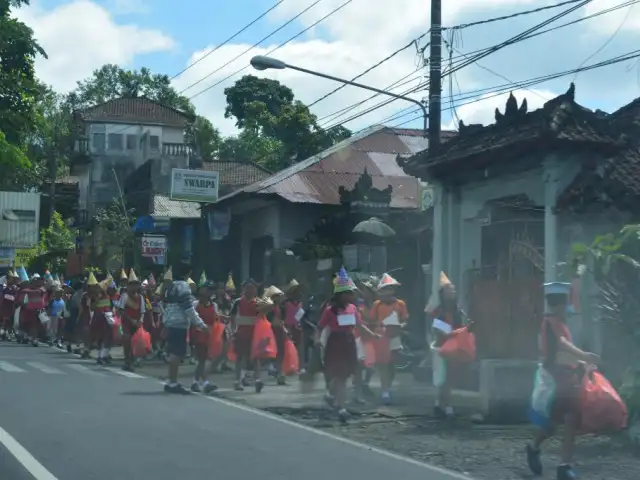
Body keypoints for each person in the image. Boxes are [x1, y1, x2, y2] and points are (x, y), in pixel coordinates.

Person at [526, 282, 600, 480]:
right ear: (560, 304)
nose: (569, 307)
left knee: (569, 419)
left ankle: (563, 465)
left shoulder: (560, 323)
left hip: (567, 378)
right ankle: (536, 449)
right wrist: (583, 355)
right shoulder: (551, 322)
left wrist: (583, 365)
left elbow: (565, 353)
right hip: (556, 379)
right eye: (566, 302)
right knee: (555, 422)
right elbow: (562, 344)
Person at [316, 268, 379, 423]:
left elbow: (359, 325)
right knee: (339, 375)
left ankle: (332, 397)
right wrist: (318, 339)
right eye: (348, 292)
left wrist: (373, 335)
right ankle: (341, 407)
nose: (352, 295)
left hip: (349, 342)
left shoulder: (352, 309)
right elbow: (320, 327)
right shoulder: (330, 311)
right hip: (335, 343)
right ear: (340, 294)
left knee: (345, 374)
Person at [162, 261, 209, 394]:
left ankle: (171, 381)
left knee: (173, 353)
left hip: (171, 321)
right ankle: (173, 382)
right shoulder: (184, 287)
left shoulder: (171, 287)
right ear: (188, 273)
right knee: (177, 354)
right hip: (179, 323)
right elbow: (189, 309)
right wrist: (201, 324)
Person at [425, 271, 467, 418]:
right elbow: (438, 331)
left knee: (451, 377)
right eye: (449, 291)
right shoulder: (438, 311)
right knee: (441, 378)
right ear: (442, 294)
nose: (452, 293)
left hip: (454, 347)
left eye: (453, 290)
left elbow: (461, 327)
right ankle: (441, 403)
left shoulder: (458, 311)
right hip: (441, 347)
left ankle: (445, 403)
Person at [370, 273, 409, 405]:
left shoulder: (400, 304)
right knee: (383, 364)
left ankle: (387, 386)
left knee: (392, 365)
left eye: (390, 288)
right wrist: (380, 326)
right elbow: (372, 320)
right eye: (385, 289)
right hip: (381, 336)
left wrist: (401, 325)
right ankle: (385, 390)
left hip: (395, 336)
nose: (387, 292)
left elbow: (405, 320)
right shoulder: (377, 305)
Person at [190, 278, 219, 394]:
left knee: (205, 359)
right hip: (198, 334)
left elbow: (216, 319)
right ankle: (201, 382)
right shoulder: (195, 304)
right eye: (208, 289)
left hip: (210, 335)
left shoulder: (214, 305)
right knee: (202, 359)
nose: (210, 292)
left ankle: (198, 382)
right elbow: (191, 320)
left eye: (211, 290)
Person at [118, 269, 145, 371]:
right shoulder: (124, 296)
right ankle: (127, 361)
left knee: (137, 342)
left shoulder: (141, 297)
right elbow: (121, 311)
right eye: (132, 285)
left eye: (136, 285)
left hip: (137, 323)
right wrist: (131, 320)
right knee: (127, 341)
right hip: (127, 323)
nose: (134, 287)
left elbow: (142, 311)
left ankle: (133, 360)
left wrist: (141, 320)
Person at [0, 270, 19, 341]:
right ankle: (3, 334)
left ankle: (7, 334)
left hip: (12, 307)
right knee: (5, 321)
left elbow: (16, 296)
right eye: (11, 278)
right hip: (4, 306)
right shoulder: (3, 287)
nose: (12, 280)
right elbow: (2, 296)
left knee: (10, 322)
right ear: (7, 279)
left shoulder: (15, 288)